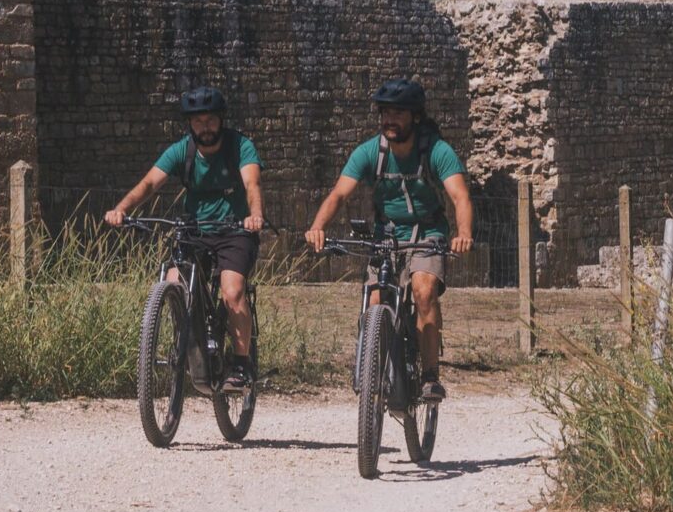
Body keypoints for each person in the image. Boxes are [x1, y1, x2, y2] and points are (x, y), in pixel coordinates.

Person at [304, 78, 472, 402]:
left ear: (415, 116)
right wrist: (318, 226)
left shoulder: (436, 150)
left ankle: (429, 376)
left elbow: (459, 196)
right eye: (385, 113)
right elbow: (339, 194)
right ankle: (372, 373)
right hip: (387, 235)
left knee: (423, 290)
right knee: (375, 301)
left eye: (398, 113)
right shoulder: (370, 152)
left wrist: (463, 233)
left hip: (427, 234)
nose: (389, 120)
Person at [106, 86, 265, 391]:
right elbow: (149, 183)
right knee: (174, 281)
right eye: (198, 121)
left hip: (235, 231)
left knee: (232, 291)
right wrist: (122, 209)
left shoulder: (240, 146)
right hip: (195, 232)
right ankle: (191, 343)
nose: (205, 127)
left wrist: (255, 215)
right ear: (190, 124)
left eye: (210, 120)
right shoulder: (182, 150)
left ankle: (241, 364)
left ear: (221, 120)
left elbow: (252, 184)